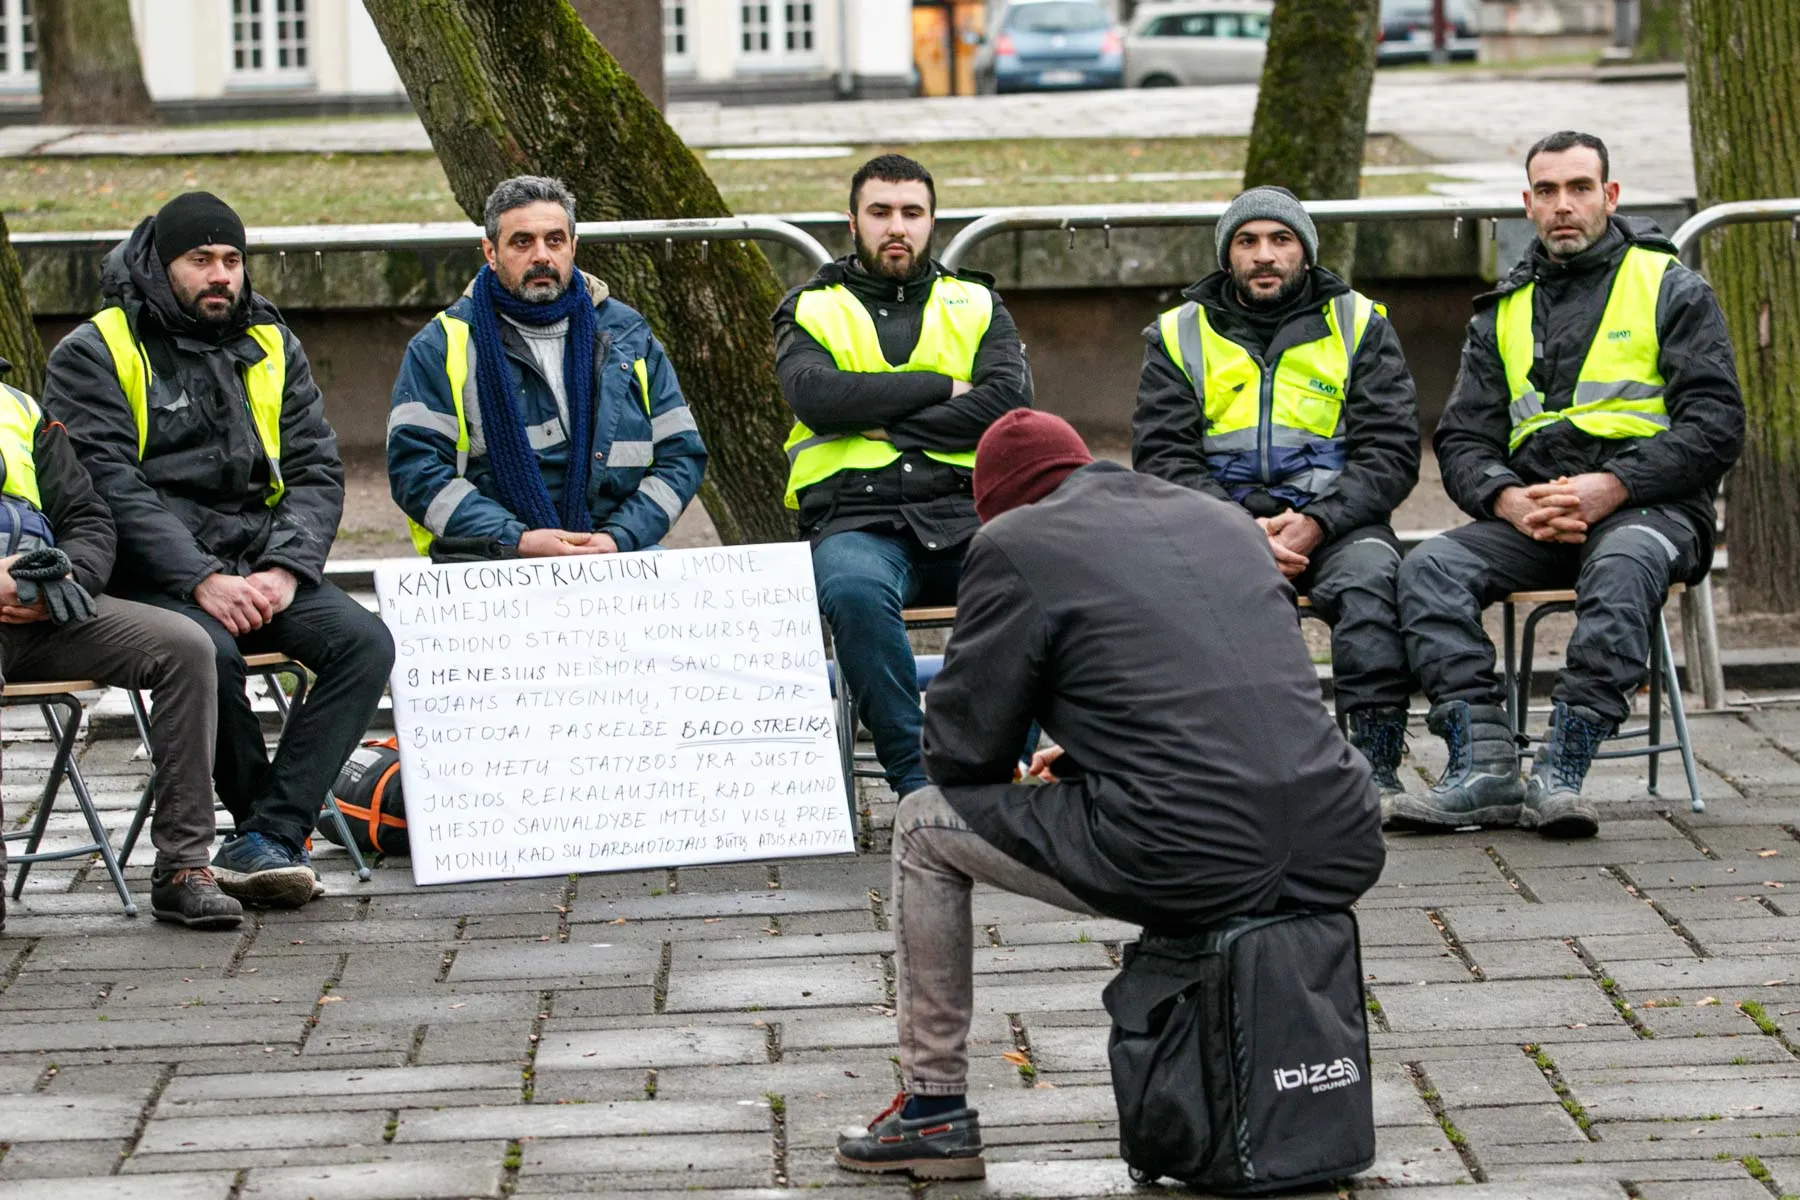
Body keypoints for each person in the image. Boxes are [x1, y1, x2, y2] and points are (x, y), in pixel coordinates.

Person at [835, 410, 1385, 1181]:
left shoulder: (1014, 544)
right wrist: (1097, 755)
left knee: (926, 824)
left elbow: (963, 755)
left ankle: (933, 1113)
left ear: (997, 504)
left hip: (1190, 850)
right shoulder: (1221, 520)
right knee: (1199, 814)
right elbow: (1216, 694)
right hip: (1340, 832)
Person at [42, 191, 394, 907]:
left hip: (259, 564)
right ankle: (262, 826)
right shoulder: (96, 351)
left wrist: (287, 570)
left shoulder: (270, 341)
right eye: (200, 260)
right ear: (159, 265)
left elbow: (317, 470)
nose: (221, 275)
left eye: (232, 260)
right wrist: (200, 578)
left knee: (364, 641)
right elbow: (108, 486)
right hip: (151, 578)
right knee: (211, 652)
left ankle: (269, 833)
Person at [1395, 131, 1743, 838]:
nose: (1564, 205)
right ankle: (1483, 769)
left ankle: (1562, 773)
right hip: (1538, 519)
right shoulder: (1502, 310)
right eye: (1547, 192)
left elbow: (1716, 424)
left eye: (1580, 188)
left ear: (1610, 197)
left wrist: (1613, 484)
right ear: (1527, 204)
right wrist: (1508, 500)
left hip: (1652, 511)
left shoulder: (1670, 286)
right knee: (1429, 567)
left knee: (1623, 562)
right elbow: (1462, 438)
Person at [1134, 185, 1421, 815]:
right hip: (1221, 527)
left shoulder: (1360, 324)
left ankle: (1376, 768)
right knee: (1225, 599)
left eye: (1280, 239)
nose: (1264, 255)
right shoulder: (1178, 335)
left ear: (1306, 252)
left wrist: (1316, 522)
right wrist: (1240, 529)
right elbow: (1162, 458)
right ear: (1228, 256)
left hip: (1339, 524)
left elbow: (1392, 453)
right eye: (1247, 241)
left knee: (1375, 583)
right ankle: (1263, 770)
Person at [772, 154, 1031, 801]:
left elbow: (1005, 403)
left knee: (1036, 578)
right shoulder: (811, 307)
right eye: (880, 212)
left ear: (932, 222)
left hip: (962, 513)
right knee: (856, 597)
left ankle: (1003, 775)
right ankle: (917, 785)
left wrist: (898, 425)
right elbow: (817, 398)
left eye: (911, 213)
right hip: (856, 521)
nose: (897, 227)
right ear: (851, 221)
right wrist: (942, 387)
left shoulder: (974, 303)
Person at [0, 363, 239, 931]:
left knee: (184, 645)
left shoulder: (19, 407)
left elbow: (86, 516)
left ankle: (183, 868)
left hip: (44, 610)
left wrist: (63, 580)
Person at [388, 176, 705, 559]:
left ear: (573, 246)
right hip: (491, 558)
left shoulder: (627, 334)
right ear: (490, 252)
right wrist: (517, 539)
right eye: (522, 242)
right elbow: (416, 471)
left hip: (617, 552)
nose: (541, 255)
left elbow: (681, 456)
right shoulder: (442, 345)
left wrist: (619, 537)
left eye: (554, 240)